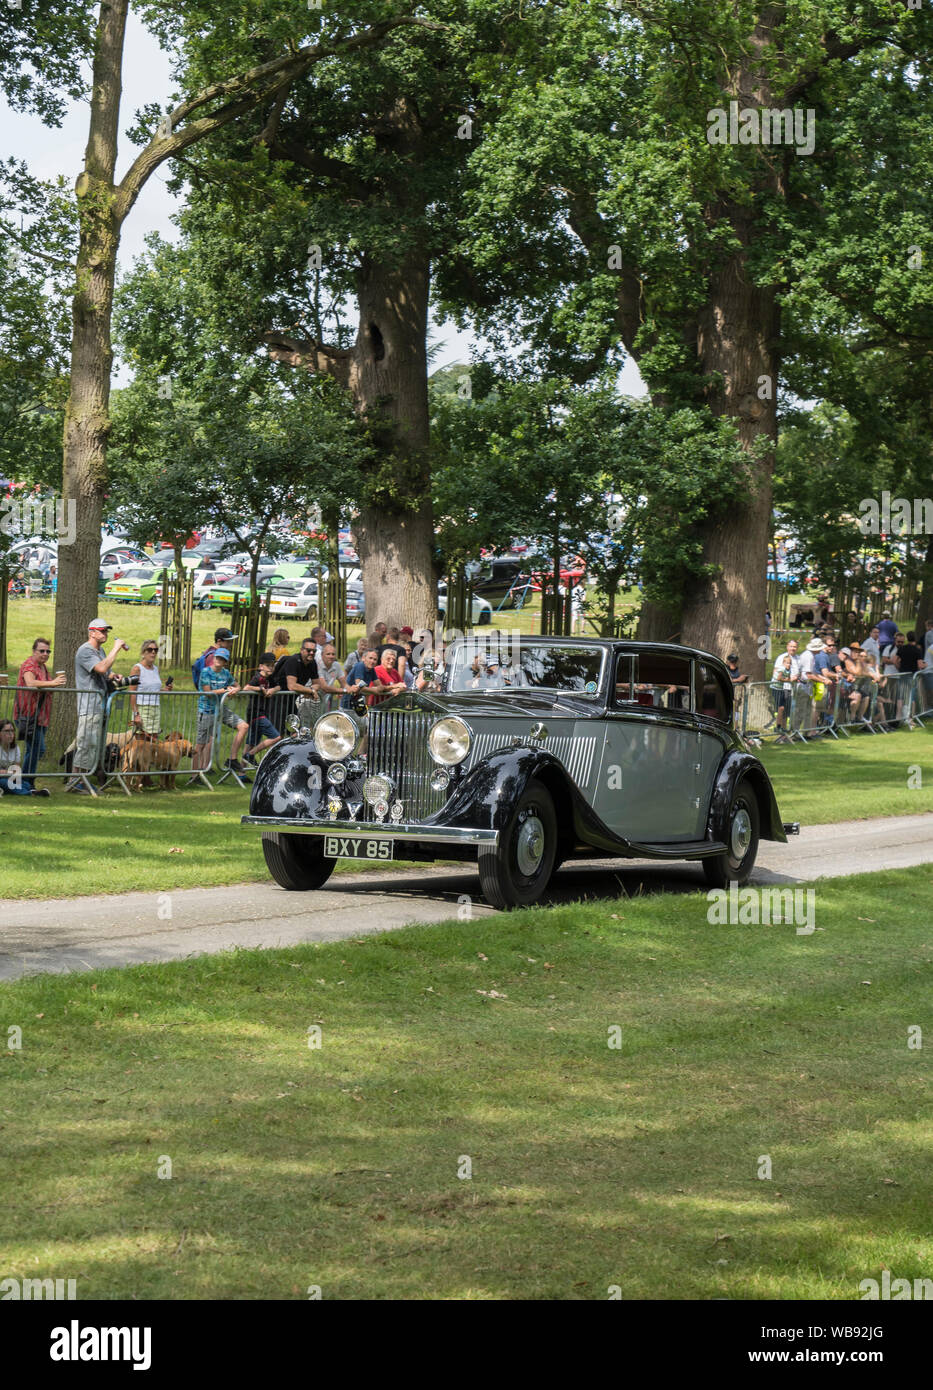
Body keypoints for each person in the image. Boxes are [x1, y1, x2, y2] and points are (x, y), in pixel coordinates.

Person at [69, 620, 128, 793]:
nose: (105, 634)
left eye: (107, 631)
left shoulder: (99, 650)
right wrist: (116, 648)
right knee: (85, 744)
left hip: (100, 706)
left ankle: (82, 780)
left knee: (94, 745)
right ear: (92, 632)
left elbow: (105, 673)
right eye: (102, 631)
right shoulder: (85, 650)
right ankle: (75, 781)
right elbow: (101, 668)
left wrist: (114, 676)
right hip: (89, 706)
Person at [188, 648, 249, 782]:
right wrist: (226, 690)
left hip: (221, 709)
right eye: (217, 658)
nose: (218, 661)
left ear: (225, 662)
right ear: (214, 658)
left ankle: (232, 759)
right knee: (200, 744)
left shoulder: (226, 673)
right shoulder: (206, 672)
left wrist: (235, 690)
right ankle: (194, 776)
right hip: (206, 711)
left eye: (222, 659)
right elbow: (208, 692)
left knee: (244, 726)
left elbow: (238, 685)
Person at [14, 636, 65, 793]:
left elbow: (45, 686)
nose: (45, 654)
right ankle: (26, 780)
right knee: (38, 748)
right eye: (41, 650)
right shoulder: (29, 665)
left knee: (34, 749)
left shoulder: (43, 668)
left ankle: (26, 781)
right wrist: (52, 683)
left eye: (48, 651)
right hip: (28, 715)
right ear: (33, 651)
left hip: (41, 717)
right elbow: (30, 683)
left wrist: (55, 684)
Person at [241, 653, 282, 766]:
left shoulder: (270, 678)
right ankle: (250, 755)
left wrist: (272, 690)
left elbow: (279, 686)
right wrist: (260, 688)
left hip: (261, 713)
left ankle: (241, 773)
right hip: (256, 713)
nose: (271, 668)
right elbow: (246, 688)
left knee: (250, 743)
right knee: (276, 736)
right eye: (268, 665)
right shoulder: (257, 677)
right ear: (261, 666)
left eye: (272, 665)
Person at [769, 638, 801, 741]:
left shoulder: (798, 658)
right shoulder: (781, 657)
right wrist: (789, 679)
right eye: (791, 646)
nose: (793, 648)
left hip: (790, 688)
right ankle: (778, 727)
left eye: (795, 646)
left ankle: (784, 728)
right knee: (781, 707)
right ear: (787, 647)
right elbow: (777, 674)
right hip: (779, 687)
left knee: (787, 708)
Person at [0, 719, 33, 796]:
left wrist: (8, 773)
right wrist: (9, 773)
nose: (11, 734)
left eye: (12, 731)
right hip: (3, 779)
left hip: (9, 777)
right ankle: (29, 793)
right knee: (3, 782)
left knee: (26, 784)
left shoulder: (16, 748)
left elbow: (17, 769)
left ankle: (10, 790)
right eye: (7, 731)